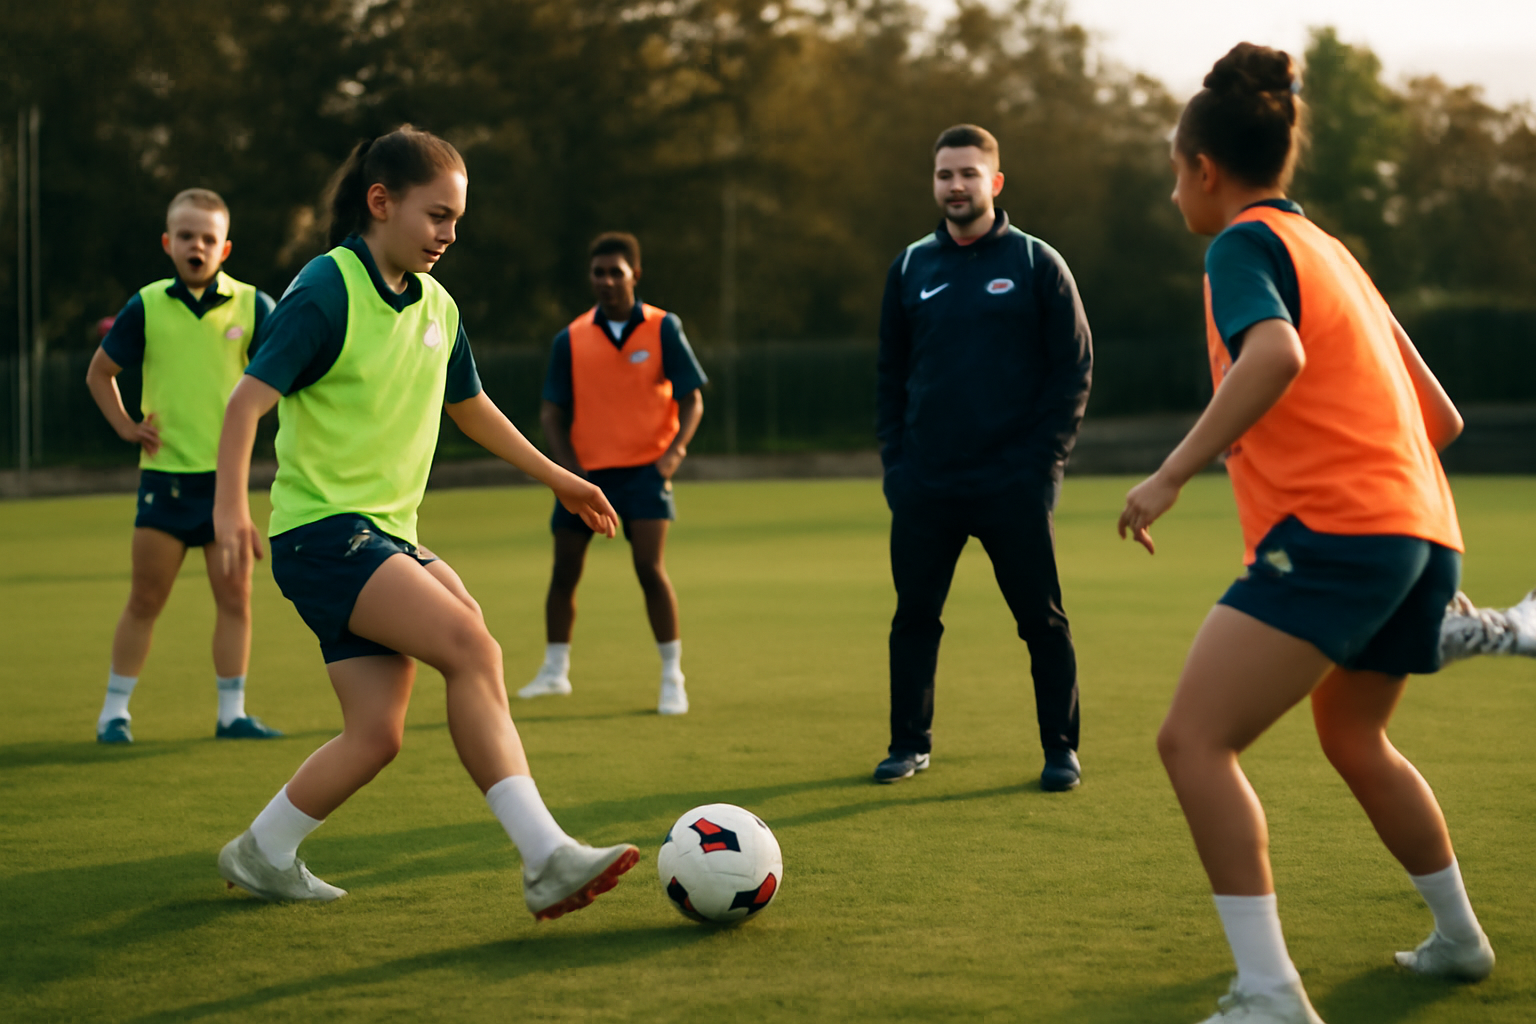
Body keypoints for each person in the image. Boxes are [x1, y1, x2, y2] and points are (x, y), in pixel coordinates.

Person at [1119, 44, 1495, 1024]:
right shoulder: (1335, 253)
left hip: (1338, 535)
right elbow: (1442, 418)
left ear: (1205, 168)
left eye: (1173, 171)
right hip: (1423, 533)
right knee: (1354, 733)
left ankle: (1268, 993)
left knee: (1193, 742)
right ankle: (1459, 939)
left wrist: (1170, 473)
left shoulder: (1239, 245)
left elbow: (1275, 353)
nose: (1173, 194)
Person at [212, 125, 639, 919]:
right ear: (381, 202)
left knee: (376, 732)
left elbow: (470, 408)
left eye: (456, 221)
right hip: (325, 534)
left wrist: (561, 479)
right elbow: (247, 402)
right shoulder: (327, 287)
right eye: (436, 215)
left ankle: (262, 851)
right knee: (473, 648)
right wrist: (230, 506)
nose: (448, 234)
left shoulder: (437, 305)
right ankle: (545, 856)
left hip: (384, 536)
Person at [873, 124, 1093, 790]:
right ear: (934, 184)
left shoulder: (1035, 262)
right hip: (927, 484)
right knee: (914, 619)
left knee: (1042, 621)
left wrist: (1043, 464)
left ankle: (1061, 750)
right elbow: (889, 374)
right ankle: (909, 744)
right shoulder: (912, 266)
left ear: (995, 183)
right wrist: (897, 466)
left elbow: (1074, 368)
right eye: (945, 175)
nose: (956, 186)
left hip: (1012, 483)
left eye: (969, 174)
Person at [85, 188, 282, 745]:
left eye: (209, 238)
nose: (198, 245)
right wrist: (126, 427)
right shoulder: (146, 304)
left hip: (228, 488)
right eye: (187, 237)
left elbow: (290, 379)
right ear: (169, 244)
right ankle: (113, 715)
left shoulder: (255, 306)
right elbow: (100, 373)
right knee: (145, 599)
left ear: (225, 248)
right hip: (165, 483)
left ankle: (232, 714)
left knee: (236, 598)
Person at [519, 232, 707, 715]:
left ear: (634, 276)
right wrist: (569, 473)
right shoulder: (571, 338)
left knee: (649, 569)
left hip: (645, 473)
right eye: (598, 273)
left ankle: (672, 678)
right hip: (588, 477)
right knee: (564, 572)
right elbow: (550, 413)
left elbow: (692, 400)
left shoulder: (664, 328)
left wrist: (673, 456)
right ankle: (554, 672)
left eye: (615, 272)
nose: (605, 281)